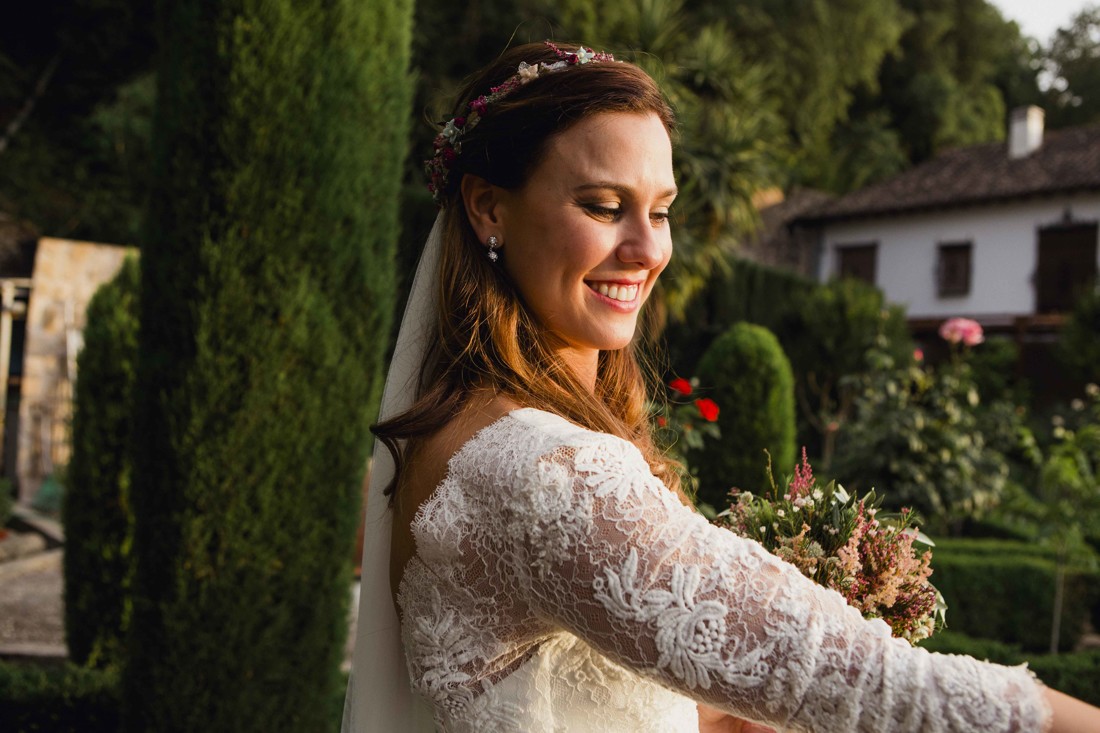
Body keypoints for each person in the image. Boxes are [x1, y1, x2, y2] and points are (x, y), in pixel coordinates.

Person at [343, 41, 1100, 732]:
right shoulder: (545, 472)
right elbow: (868, 684)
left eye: (662, 212)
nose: (648, 249)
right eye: (603, 206)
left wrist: (711, 719)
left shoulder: (464, 434)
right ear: (488, 207)